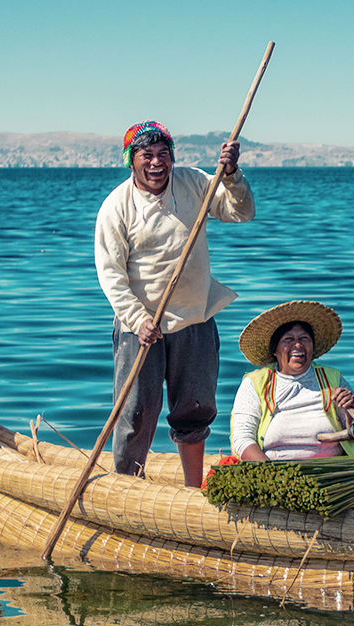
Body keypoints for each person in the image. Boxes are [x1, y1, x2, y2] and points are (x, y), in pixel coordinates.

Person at [95, 120, 255, 485]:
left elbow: (240, 211)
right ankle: (127, 486)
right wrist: (137, 319)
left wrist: (230, 175)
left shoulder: (194, 182)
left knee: (194, 410)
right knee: (135, 414)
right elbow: (111, 275)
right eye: (146, 155)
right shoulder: (116, 207)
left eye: (163, 154)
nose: (156, 163)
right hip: (142, 328)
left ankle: (193, 487)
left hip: (194, 318)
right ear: (130, 161)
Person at [230, 301, 354, 461]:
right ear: (275, 350)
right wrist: (272, 475)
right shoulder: (256, 383)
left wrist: (350, 411)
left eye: (304, 338)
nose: (298, 345)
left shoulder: (332, 379)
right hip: (273, 472)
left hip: (332, 472)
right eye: (288, 339)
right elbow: (242, 439)